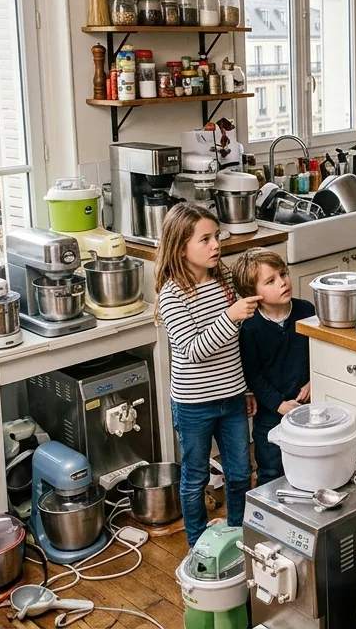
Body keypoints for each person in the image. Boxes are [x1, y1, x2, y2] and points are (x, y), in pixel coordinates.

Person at [153, 203, 260, 545]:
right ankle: (198, 545)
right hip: (194, 405)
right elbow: (195, 350)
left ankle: (236, 539)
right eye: (205, 239)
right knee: (195, 477)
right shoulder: (172, 295)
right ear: (181, 246)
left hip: (231, 398)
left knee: (241, 474)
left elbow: (235, 346)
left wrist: (245, 388)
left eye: (216, 237)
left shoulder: (224, 279)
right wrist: (231, 317)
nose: (216, 245)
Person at [235, 248, 316, 488]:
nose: (282, 282)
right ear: (253, 294)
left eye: (283, 274)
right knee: (271, 472)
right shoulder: (250, 328)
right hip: (271, 416)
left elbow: (320, 353)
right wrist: (279, 404)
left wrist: (314, 380)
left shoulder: (306, 310)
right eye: (270, 281)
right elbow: (254, 376)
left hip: (309, 407)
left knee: (310, 466)